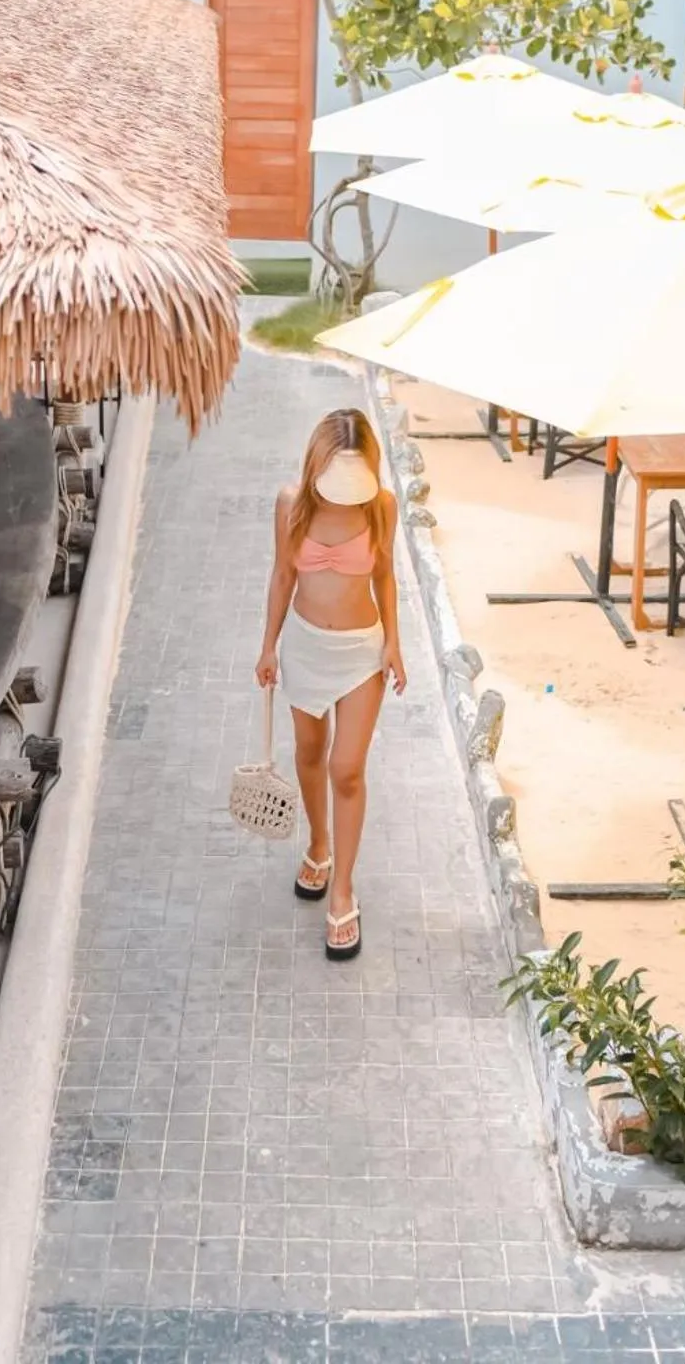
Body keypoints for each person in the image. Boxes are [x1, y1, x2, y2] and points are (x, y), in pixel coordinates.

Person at [255, 407, 406, 961]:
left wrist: (394, 642)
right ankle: (318, 845)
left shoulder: (382, 505)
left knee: (347, 767)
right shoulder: (291, 503)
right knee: (310, 752)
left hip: (361, 651)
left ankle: (342, 887)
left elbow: (385, 574)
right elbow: (282, 575)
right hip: (304, 645)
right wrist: (268, 644)